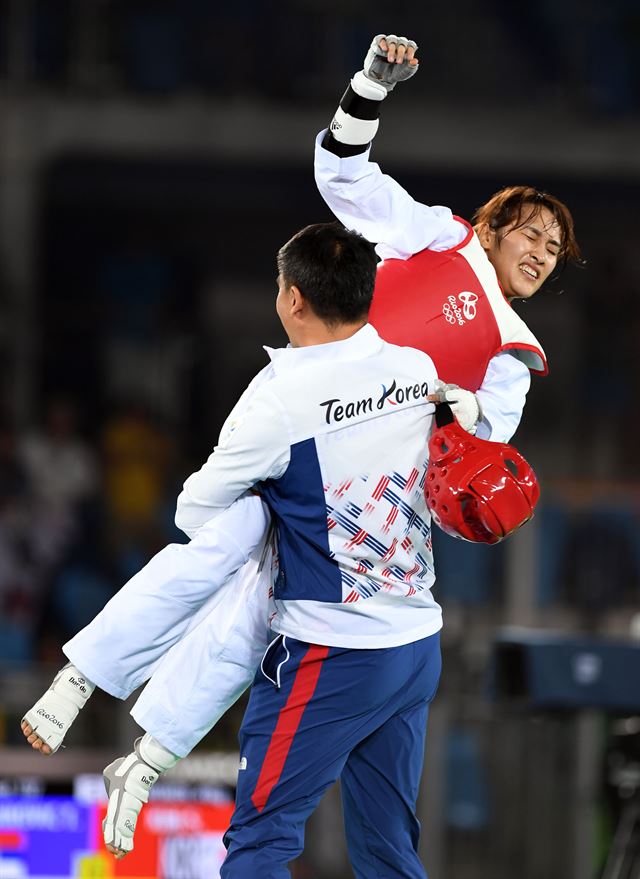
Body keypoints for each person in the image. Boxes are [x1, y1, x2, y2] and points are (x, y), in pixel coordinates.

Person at [21, 33, 583, 862]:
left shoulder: (516, 359)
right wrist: (369, 85)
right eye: (531, 232)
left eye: (553, 250)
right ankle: (85, 684)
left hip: (368, 492)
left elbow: (470, 468)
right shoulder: (438, 236)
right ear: (493, 227)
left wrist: (458, 424)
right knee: (217, 546)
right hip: (308, 415)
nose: (539, 252)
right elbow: (343, 174)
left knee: (258, 612)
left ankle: (144, 755)